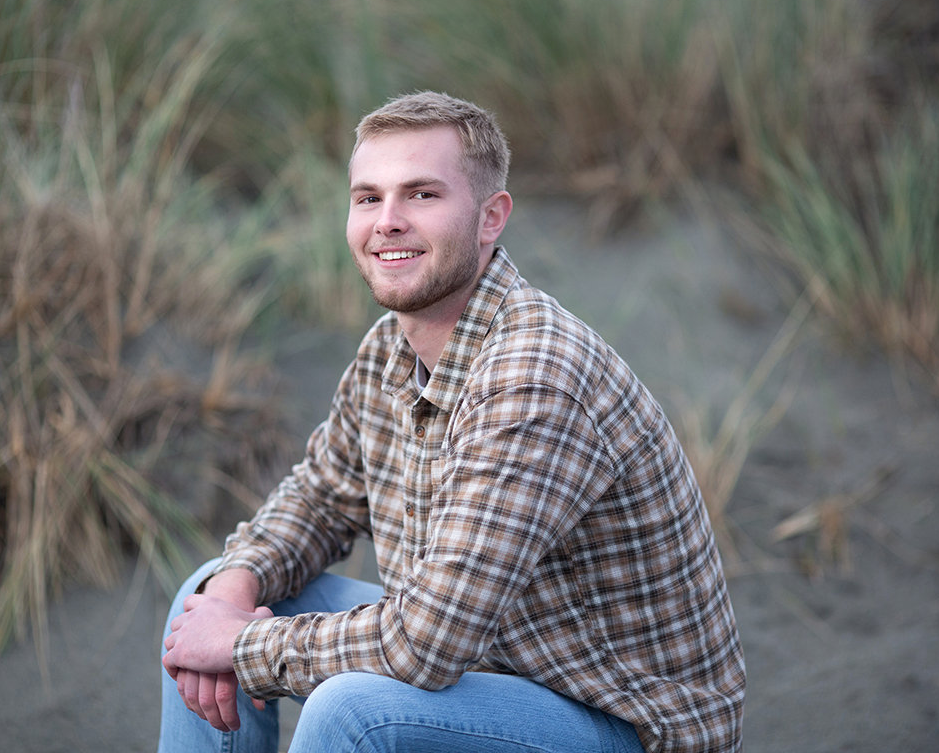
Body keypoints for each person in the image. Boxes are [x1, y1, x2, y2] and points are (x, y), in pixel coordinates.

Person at [159, 91, 745, 753]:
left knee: (354, 711)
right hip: (498, 664)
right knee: (201, 599)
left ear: (491, 218)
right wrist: (232, 594)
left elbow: (426, 644)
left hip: (624, 720)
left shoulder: (533, 374)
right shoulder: (391, 346)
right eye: (368, 198)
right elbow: (321, 500)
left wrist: (242, 643)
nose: (388, 221)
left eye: (421, 195)